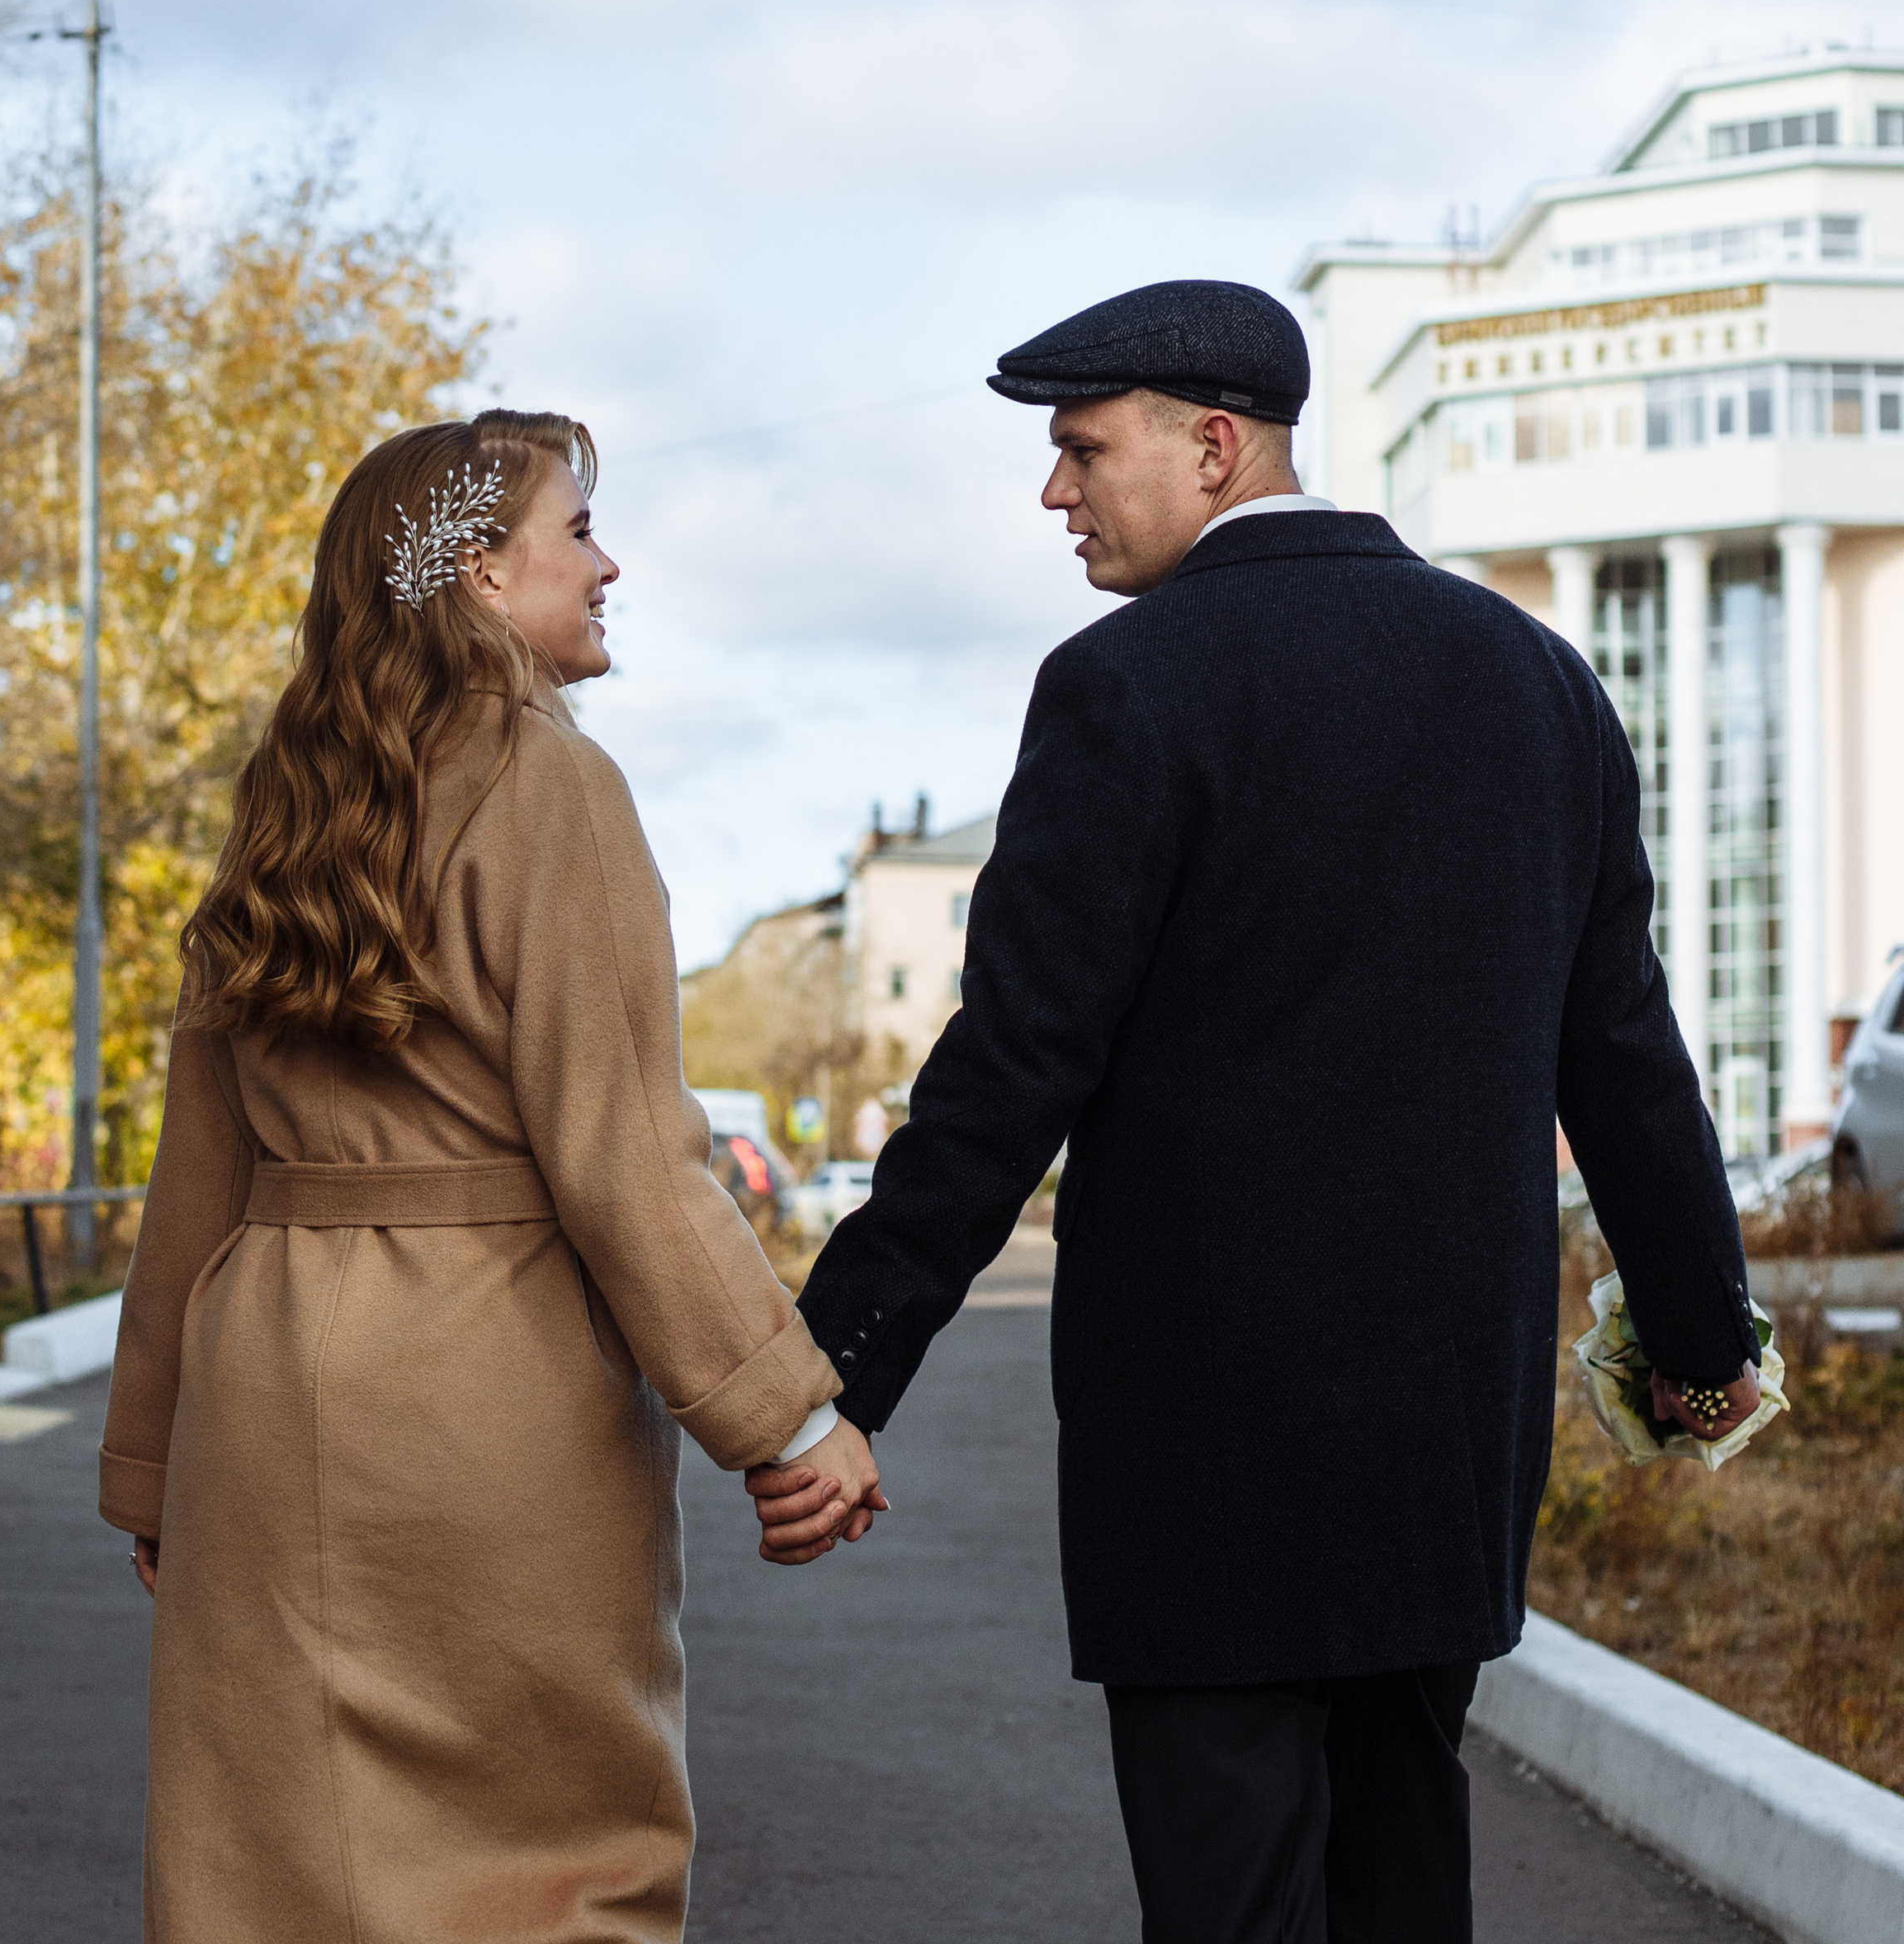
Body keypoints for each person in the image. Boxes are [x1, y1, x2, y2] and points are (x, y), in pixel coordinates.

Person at [753, 281, 1759, 1944]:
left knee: (1227, 1902)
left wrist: (828, 1377)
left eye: (1081, 449)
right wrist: (1700, 1333)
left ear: (1212, 446)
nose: (1052, 493)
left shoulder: (1126, 687)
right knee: (1400, 1878)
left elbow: (1009, 1070)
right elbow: (1624, 1056)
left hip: (1204, 1445)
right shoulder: (1536, 685)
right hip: (1448, 1423)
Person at [99, 408, 869, 1944]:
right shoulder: (550, 784)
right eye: (577, 532)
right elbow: (625, 1152)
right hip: (483, 1381)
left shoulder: (288, 806)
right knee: (549, 1855)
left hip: (259, 1398)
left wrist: (150, 1460)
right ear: (473, 576)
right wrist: (785, 1414)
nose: (610, 563)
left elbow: (200, 1171)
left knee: (273, 1864)